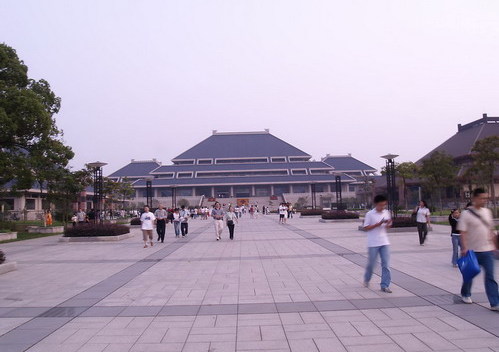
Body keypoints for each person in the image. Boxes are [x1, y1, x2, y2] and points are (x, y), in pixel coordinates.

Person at [458, 188, 498, 310]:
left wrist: (495, 246)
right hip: (472, 251)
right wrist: (464, 248)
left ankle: (495, 302)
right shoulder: (466, 214)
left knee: (490, 276)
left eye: (485, 198)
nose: (484, 200)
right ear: (474, 198)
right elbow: (463, 232)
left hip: (487, 250)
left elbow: (490, 230)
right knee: (469, 275)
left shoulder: (487, 212)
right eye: (481, 198)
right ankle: (465, 293)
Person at [363, 195, 393, 293]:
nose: (382, 207)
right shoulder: (370, 214)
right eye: (380, 205)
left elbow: (387, 227)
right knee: (372, 264)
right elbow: (366, 227)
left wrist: (388, 224)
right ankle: (367, 278)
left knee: (386, 264)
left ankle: (385, 285)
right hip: (373, 243)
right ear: (376, 204)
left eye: (384, 205)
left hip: (384, 242)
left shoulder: (386, 212)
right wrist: (377, 224)